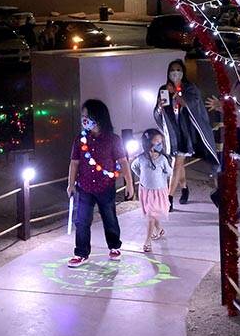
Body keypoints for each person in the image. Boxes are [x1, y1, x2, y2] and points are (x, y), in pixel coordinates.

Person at [67, 99, 134, 268]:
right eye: (83, 116)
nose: (84, 119)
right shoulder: (79, 140)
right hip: (85, 187)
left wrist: (130, 184)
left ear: (99, 117)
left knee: (109, 217)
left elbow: (123, 161)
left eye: (87, 116)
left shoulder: (113, 139)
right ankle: (81, 253)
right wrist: (70, 184)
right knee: (82, 221)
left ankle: (114, 247)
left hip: (106, 186)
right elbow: (74, 163)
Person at [154, 60, 218, 210]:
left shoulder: (190, 88)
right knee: (177, 164)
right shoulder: (163, 89)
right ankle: (184, 188)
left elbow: (191, 105)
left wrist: (176, 93)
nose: (175, 73)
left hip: (185, 132)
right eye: (172, 70)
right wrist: (159, 106)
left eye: (178, 70)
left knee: (177, 164)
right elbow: (158, 113)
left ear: (183, 72)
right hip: (172, 132)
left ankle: (168, 198)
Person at [131, 129, 171, 252]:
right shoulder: (141, 158)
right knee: (152, 214)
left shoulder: (162, 159)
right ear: (148, 143)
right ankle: (159, 229)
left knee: (151, 215)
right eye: (156, 141)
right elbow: (134, 167)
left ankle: (147, 240)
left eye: (160, 142)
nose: (159, 144)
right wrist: (142, 178)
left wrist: (162, 178)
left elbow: (169, 172)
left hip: (159, 191)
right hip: (146, 191)